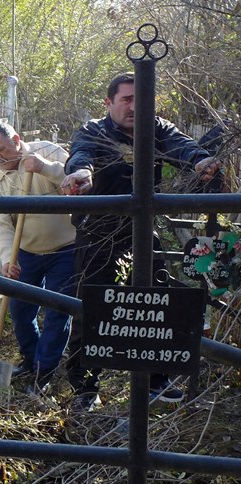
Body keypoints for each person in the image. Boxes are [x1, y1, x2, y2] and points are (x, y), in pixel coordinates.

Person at [61, 72, 221, 410]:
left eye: (141, 99)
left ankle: (156, 380)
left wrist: (200, 160)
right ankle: (85, 389)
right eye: (127, 99)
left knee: (156, 302)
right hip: (99, 232)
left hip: (143, 231)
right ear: (109, 103)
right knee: (91, 307)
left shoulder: (158, 128)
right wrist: (81, 174)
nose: (135, 107)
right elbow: (81, 155)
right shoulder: (94, 130)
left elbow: (182, 146)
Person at [0, 121, 75, 394]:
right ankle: (31, 359)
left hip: (66, 249)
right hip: (25, 252)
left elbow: (76, 181)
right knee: (20, 311)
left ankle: (44, 373)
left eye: (1, 149)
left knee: (58, 312)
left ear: (17, 140)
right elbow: (0, 225)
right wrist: (7, 259)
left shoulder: (48, 151)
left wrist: (44, 167)